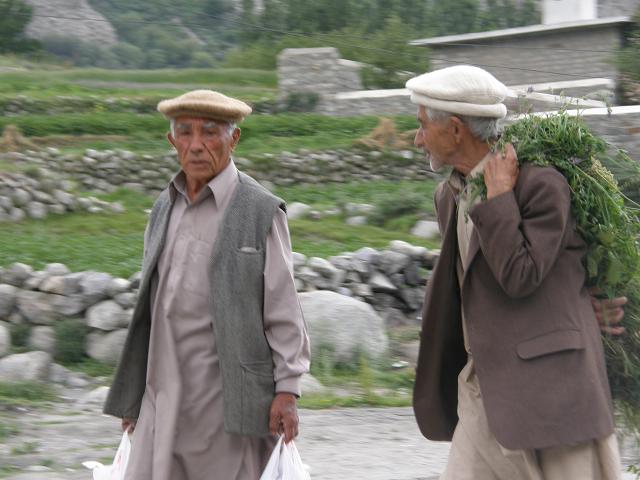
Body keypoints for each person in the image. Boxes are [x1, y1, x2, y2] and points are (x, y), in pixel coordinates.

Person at [406, 65, 625, 479]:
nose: (417, 138)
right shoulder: (448, 194)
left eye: (422, 126)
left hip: (552, 393)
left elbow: (520, 276)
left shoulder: (540, 185)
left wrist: (500, 197)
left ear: (456, 130)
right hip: (481, 387)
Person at [103, 90, 310, 480]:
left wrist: (287, 391)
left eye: (210, 133)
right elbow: (151, 308)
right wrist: (132, 398)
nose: (196, 145)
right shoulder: (165, 207)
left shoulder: (259, 211)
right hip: (162, 393)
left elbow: (282, 308)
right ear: (172, 141)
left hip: (226, 399)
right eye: (185, 133)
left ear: (233, 139)